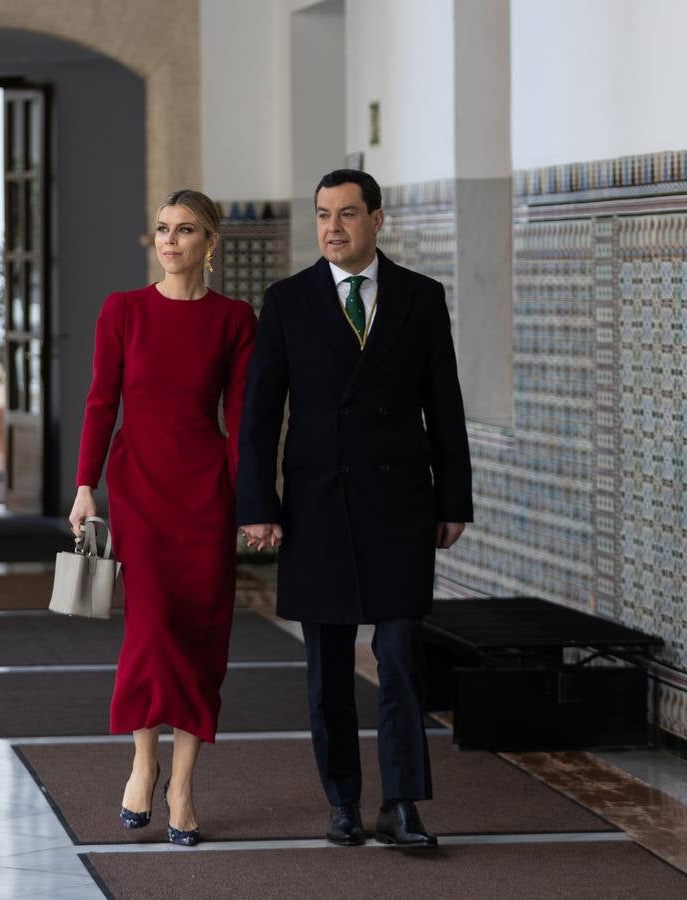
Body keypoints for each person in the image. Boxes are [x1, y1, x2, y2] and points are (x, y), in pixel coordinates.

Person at [236, 169, 472, 849]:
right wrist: (259, 504)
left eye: (345, 214)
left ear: (377, 220)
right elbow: (258, 417)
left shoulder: (421, 299)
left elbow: (445, 406)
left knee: (400, 656)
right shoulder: (287, 301)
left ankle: (401, 804)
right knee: (328, 668)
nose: (331, 228)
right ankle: (342, 801)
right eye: (322, 215)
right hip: (316, 506)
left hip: (401, 503)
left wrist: (453, 498)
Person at [70, 189, 257, 847]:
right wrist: (85, 485)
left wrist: (250, 497)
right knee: (150, 630)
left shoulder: (235, 319)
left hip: (206, 492)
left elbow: (243, 420)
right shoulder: (123, 311)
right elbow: (100, 402)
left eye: (184, 230)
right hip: (140, 491)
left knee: (202, 633)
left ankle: (183, 784)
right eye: (161, 229)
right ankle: (144, 762)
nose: (169, 240)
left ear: (211, 242)